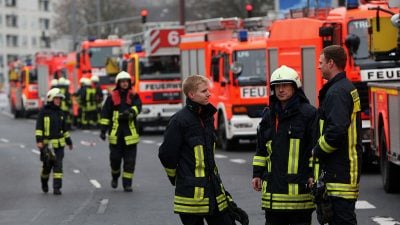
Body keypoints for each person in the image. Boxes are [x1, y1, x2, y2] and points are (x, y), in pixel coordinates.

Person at [159, 75, 240, 225]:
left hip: (214, 192)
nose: (208, 94)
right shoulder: (179, 121)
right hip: (191, 198)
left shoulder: (207, 117)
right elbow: (166, 155)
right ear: (191, 94)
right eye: (204, 91)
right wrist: (177, 178)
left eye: (207, 90)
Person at [251, 65, 317, 225]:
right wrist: (257, 174)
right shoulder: (269, 115)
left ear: (295, 87)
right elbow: (261, 148)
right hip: (273, 195)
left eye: (285, 85)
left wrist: (311, 174)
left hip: (299, 193)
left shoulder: (308, 114)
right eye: (277, 86)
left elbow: (314, 149)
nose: (281, 90)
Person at [312, 45, 362, 225]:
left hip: (340, 173)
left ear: (331, 63)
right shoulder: (343, 87)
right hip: (341, 171)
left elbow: (336, 130)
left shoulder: (337, 92)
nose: (318, 67)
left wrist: (317, 151)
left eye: (321, 62)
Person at [99, 71, 142, 192]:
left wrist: (131, 112)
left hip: (130, 135)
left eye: (126, 81)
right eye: (122, 82)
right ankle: (115, 176)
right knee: (115, 160)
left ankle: (127, 184)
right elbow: (105, 114)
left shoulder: (134, 95)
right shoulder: (111, 97)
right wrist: (103, 130)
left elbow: (138, 107)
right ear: (118, 83)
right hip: (116, 135)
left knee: (130, 162)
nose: (125, 84)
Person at [35, 88, 73, 195]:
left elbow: (65, 129)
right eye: (56, 98)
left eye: (59, 99)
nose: (58, 101)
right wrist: (39, 141)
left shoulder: (61, 113)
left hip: (59, 145)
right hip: (47, 145)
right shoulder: (43, 112)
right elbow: (39, 128)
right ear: (51, 99)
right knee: (47, 167)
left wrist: (69, 142)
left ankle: (57, 188)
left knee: (58, 165)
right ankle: (44, 182)